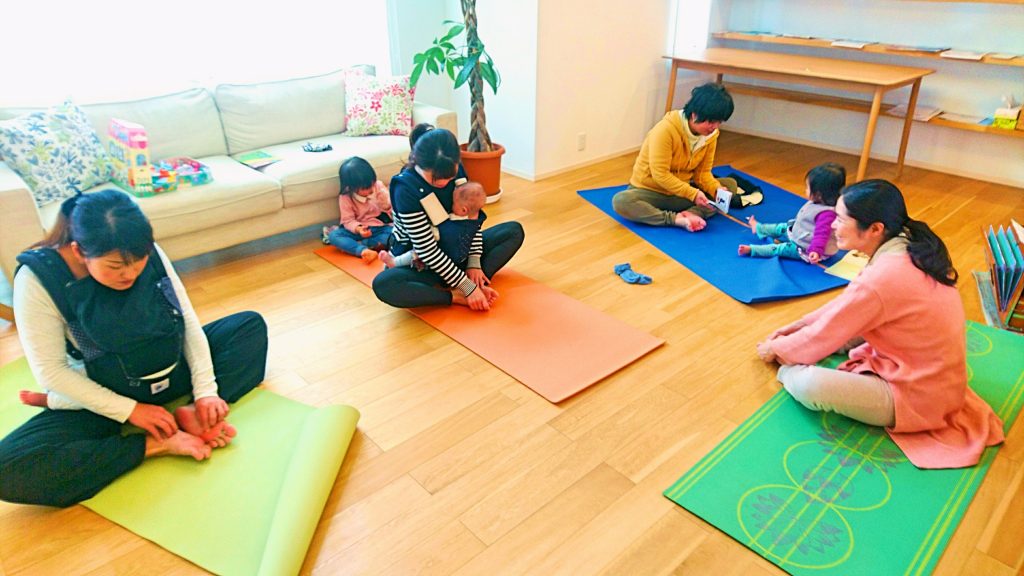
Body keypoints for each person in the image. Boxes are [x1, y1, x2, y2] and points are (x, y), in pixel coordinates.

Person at [0, 189, 268, 507]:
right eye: (115, 266)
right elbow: (52, 372)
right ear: (79, 250)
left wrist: (206, 393)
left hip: (170, 368)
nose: (129, 273)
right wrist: (132, 411)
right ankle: (154, 444)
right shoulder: (38, 280)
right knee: (8, 470)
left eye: (138, 262)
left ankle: (192, 413)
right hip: (108, 393)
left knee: (248, 327)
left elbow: (186, 321)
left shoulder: (142, 249)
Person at [756, 179, 1004, 469]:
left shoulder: (885, 274)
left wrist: (777, 350)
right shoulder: (905, 245)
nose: (833, 225)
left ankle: (790, 371)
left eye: (840, 219)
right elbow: (843, 309)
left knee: (808, 383)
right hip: (937, 380)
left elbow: (826, 332)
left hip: (917, 397)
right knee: (841, 333)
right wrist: (793, 330)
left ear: (875, 228)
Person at [372, 128, 525, 311]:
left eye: (449, 176)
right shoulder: (405, 189)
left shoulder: (457, 170)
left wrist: (474, 264)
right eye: (435, 178)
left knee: (514, 231)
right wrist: (467, 288)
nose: (443, 182)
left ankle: (473, 281)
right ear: (419, 163)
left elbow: (471, 223)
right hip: (422, 261)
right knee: (384, 284)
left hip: (457, 250)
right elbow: (427, 251)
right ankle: (454, 295)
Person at [612, 83, 743, 232]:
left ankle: (692, 214)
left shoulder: (711, 136)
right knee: (622, 201)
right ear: (694, 114)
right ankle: (675, 219)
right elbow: (660, 175)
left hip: (680, 193)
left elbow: (703, 174)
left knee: (729, 185)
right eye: (711, 122)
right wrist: (693, 194)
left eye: (719, 122)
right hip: (652, 191)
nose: (715, 127)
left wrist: (716, 189)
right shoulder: (664, 130)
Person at [738, 162, 845, 263]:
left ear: (818, 194)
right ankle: (760, 228)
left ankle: (753, 250)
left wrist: (816, 251)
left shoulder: (827, 214)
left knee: (781, 248)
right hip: (802, 233)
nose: (805, 190)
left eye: (807, 188)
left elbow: (821, 235)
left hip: (807, 248)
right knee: (782, 227)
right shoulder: (819, 201)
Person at [380, 181, 487, 270]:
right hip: (462, 256)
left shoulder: (454, 223)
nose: (451, 205)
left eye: (454, 203)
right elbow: (475, 236)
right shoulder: (474, 220)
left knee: (418, 252)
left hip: (444, 257)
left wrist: (424, 227)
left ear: (464, 210)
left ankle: (395, 262)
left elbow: (433, 235)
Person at [324, 157, 393, 263]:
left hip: (381, 228)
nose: (371, 190)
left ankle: (359, 244)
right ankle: (363, 250)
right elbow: (348, 220)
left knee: (396, 234)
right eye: (365, 188)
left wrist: (387, 204)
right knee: (334, 236)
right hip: (359, 230)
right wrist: (359, 229)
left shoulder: (378, 186)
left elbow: (393, 211)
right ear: (351, 188)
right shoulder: (346, 197)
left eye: (372, 184)